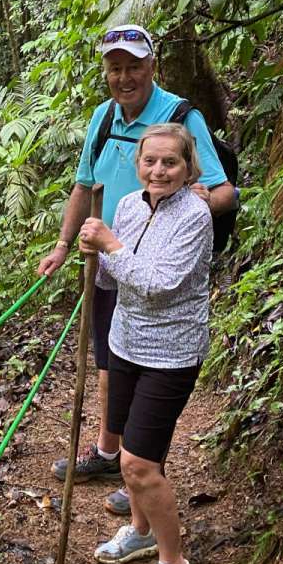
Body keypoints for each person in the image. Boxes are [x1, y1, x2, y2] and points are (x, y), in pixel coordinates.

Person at [37, 25, 234, 515]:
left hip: (158, 272)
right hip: (108, 263)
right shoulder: (103, 118)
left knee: (154, 369)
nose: (124, 77)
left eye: (133, 66)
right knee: (111, 360)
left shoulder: (180, 117)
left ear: (152, 66)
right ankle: (113, 455)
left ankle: (144, 471)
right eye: (115, 67)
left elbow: (223, 190)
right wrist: (64, 245)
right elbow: (85, 186)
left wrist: (181, 222)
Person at [78, 123, 211, 564]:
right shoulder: (130, 205)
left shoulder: (195, 216)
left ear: (187, 167)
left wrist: (110, 245)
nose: (158, 170)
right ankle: (140, 531)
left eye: (170, 162)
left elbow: (159, 282)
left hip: (171, 353)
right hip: (125, 343)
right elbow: (118, 272)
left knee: (137, 463)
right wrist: (94, 250)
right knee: (134, 447)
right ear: (137, 165)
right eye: (150, 161)